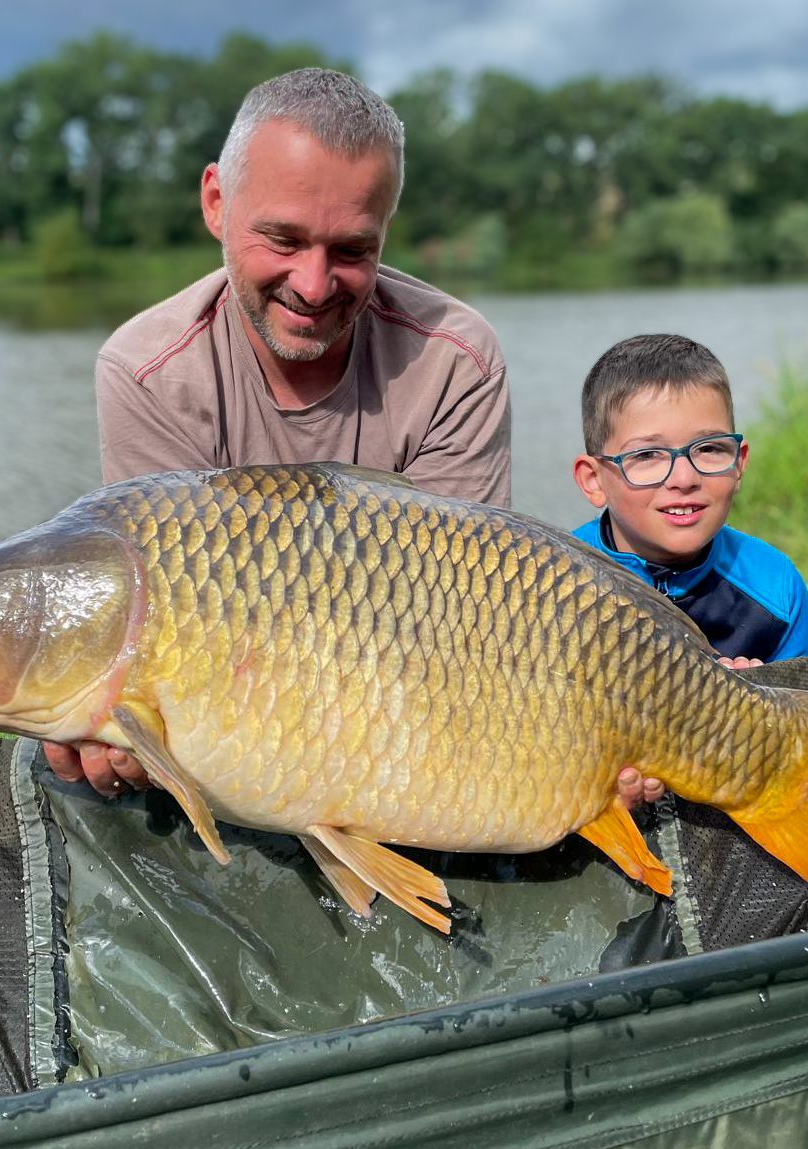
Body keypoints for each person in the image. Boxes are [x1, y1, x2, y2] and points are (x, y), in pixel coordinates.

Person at [45, 67, 512, 797]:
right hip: (244, 703)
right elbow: (175, 631)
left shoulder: (455, 358)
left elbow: (460, 630)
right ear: (216, 202)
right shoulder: (147, 370)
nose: (315, 283)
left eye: (353, 250)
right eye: (283, 239)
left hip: (415, 706)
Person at [570, 333, 808, 805]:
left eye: (708, 449)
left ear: (739, 462)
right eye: (646, 456)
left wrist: (766, 705)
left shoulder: (772, 583)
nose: (683, 478)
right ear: (594, 480)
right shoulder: (561, 586)